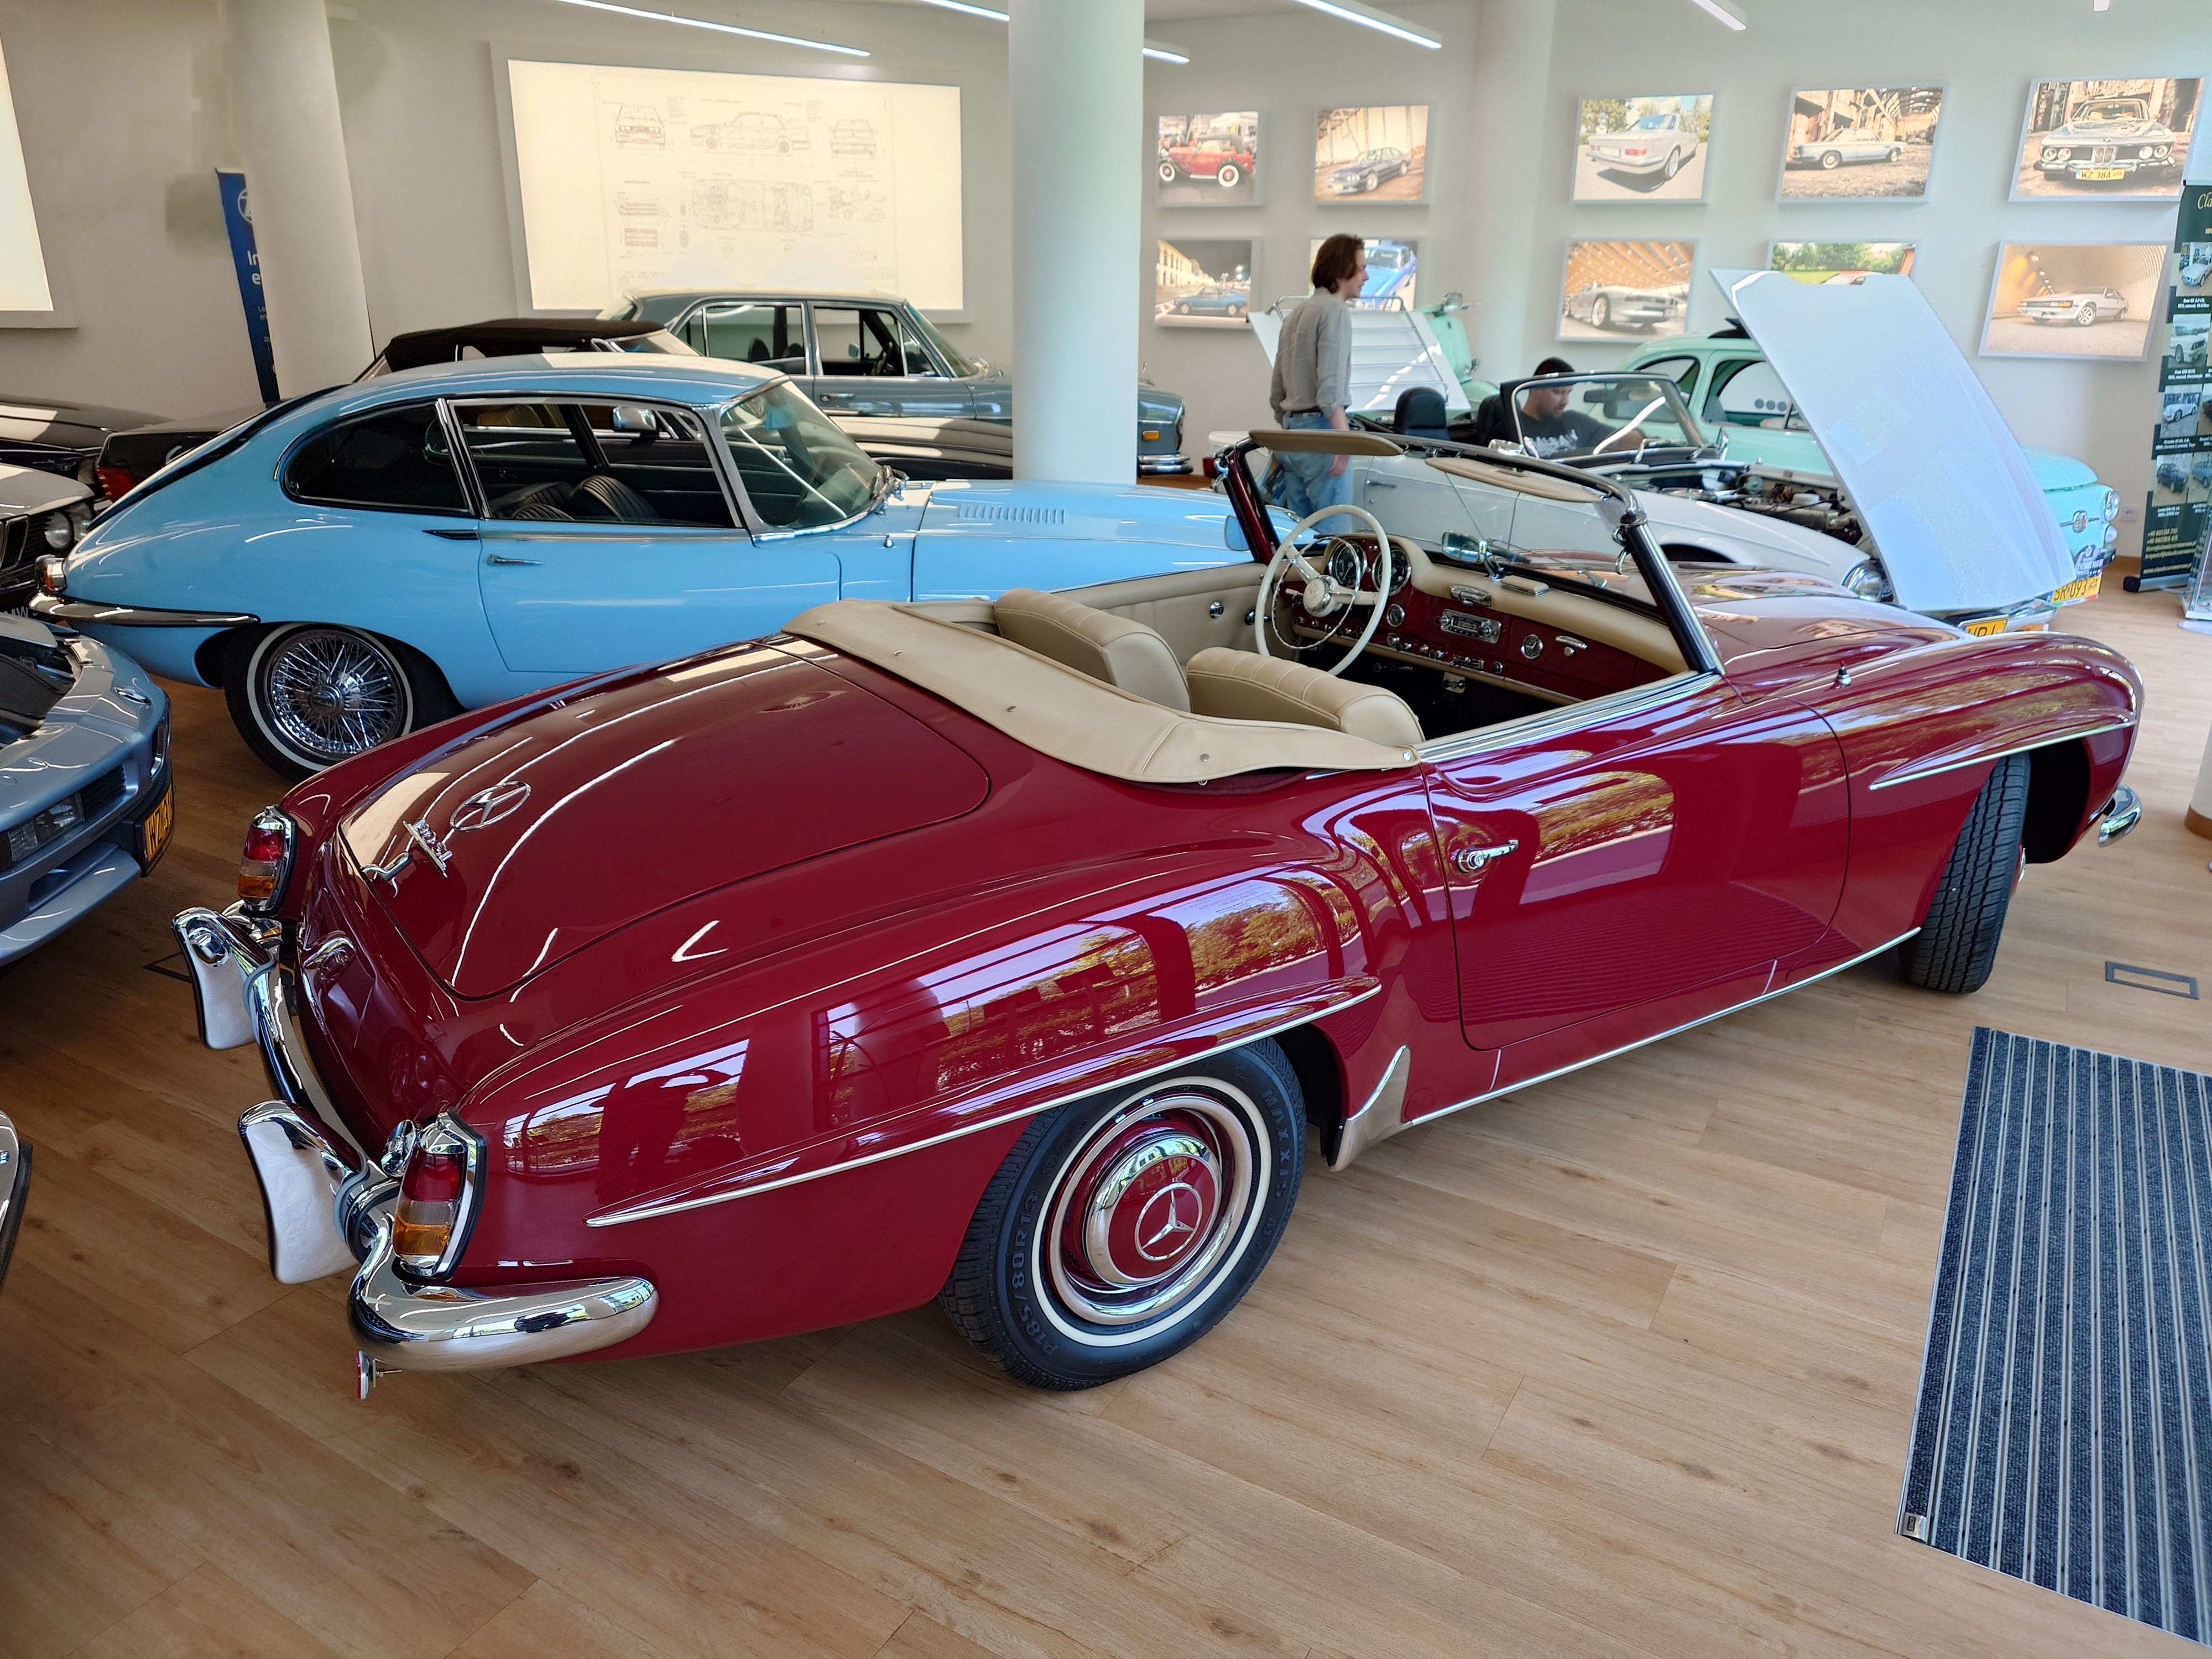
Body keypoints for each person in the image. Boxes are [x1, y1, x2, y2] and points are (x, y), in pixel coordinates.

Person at [1267, 233, 1366, 525]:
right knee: (1334, 536)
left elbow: (1277, 390)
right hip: (1322, 436)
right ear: (1343, 270)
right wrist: (1343, 441)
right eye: (1362, 269)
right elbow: (1331, 389)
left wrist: (1286, 427)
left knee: (1298, 536)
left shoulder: (1296, 314)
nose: (1366, 277)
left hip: (1291, 436)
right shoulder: (1335, 311)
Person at [1468, 356, 1573, 448]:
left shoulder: (1570, 423)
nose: (1566, 401)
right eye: (1558, 392)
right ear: (1536, 389)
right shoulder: (1508, 430)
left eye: (1568, 393)